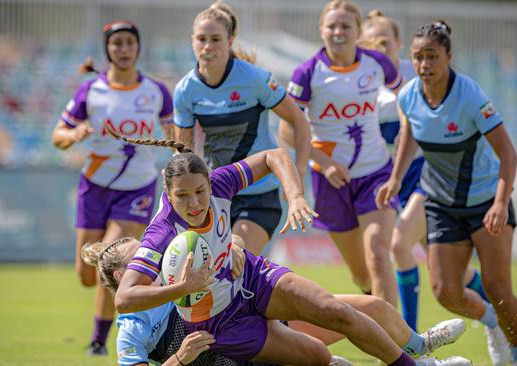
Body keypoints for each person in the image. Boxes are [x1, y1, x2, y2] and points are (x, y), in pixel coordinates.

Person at [106, 125, 470, 366]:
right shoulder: (161, 232)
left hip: (252, 277)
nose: (195, 203)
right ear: (168, 195)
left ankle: (418, 358)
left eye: (200, 191)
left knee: (339, 312)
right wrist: (183, 288)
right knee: (317, 358)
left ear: (209, 183)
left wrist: (295, 195)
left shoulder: (220, 183)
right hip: (222, 321)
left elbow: (273, 156)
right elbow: (124, 298)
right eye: (182, 196)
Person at [376, 21, 517, 366]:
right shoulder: (408, 96)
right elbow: (410, 135)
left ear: (449, 56)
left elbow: (508, 153)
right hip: (441, 202)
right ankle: (492, 323)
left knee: (498, 288)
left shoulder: (471, 96)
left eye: (432, 56)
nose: (424, 65)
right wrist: (395, 179)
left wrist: (500, 203)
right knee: (445, 292)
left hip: (485, 200)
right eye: (418, 57)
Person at [83, 235, 468, 366]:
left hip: (262, 315)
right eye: (142, 257)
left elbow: (218, 240)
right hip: (250, 352)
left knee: (371, 309)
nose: (154, 254)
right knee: (328, 359)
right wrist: (180, 358)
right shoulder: (131, 332)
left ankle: (422, 348)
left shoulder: (174, 268)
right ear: (122, 277)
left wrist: (233, 244)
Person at [359, 11, 490, 332]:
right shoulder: (359, 84)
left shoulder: (416, 78)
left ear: (398, 44)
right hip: (392, 184)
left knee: (399, 245)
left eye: (384, 43)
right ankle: (500, 309)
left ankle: (409, 335)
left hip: (426, 177)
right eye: (370, 45)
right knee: (446, 272)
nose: (378, 51)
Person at [51, 20, 174, 356]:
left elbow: (178, 134)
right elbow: (58, 135)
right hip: (94, 186)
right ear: (108, 49)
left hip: (137, 188)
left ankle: (99, 341)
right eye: (116, 43)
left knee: (112, 259)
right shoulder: (91, 90)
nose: (123, 49)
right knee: (87, 275)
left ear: (138, 48)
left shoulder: (156, 92)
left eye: (129, 43)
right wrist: (73, 136)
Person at [280, 0, 402, 308]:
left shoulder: (378, 64)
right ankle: (379, 321)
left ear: (358, 31)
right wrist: (325, 163)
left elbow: (406, 102)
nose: (338, 31)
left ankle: (399, 347)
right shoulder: (307, 73)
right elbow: (286, 131)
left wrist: (405, 134)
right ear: (321, 30)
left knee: (377, 253)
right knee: (362, 275)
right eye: (331, 25)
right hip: (330, 182)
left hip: (376, 173)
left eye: (346, 26)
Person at [172, 1, 311, 255]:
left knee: (236, 255)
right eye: (201, 39)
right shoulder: (185, 90)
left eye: (215, 39)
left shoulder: (255, 79)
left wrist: (298, 172)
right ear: (192, 40)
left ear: (230, 41)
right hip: (218, 193)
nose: (207, 46)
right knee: (224, 275)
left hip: (259, 194)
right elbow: (184, 153)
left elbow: (299, 121)